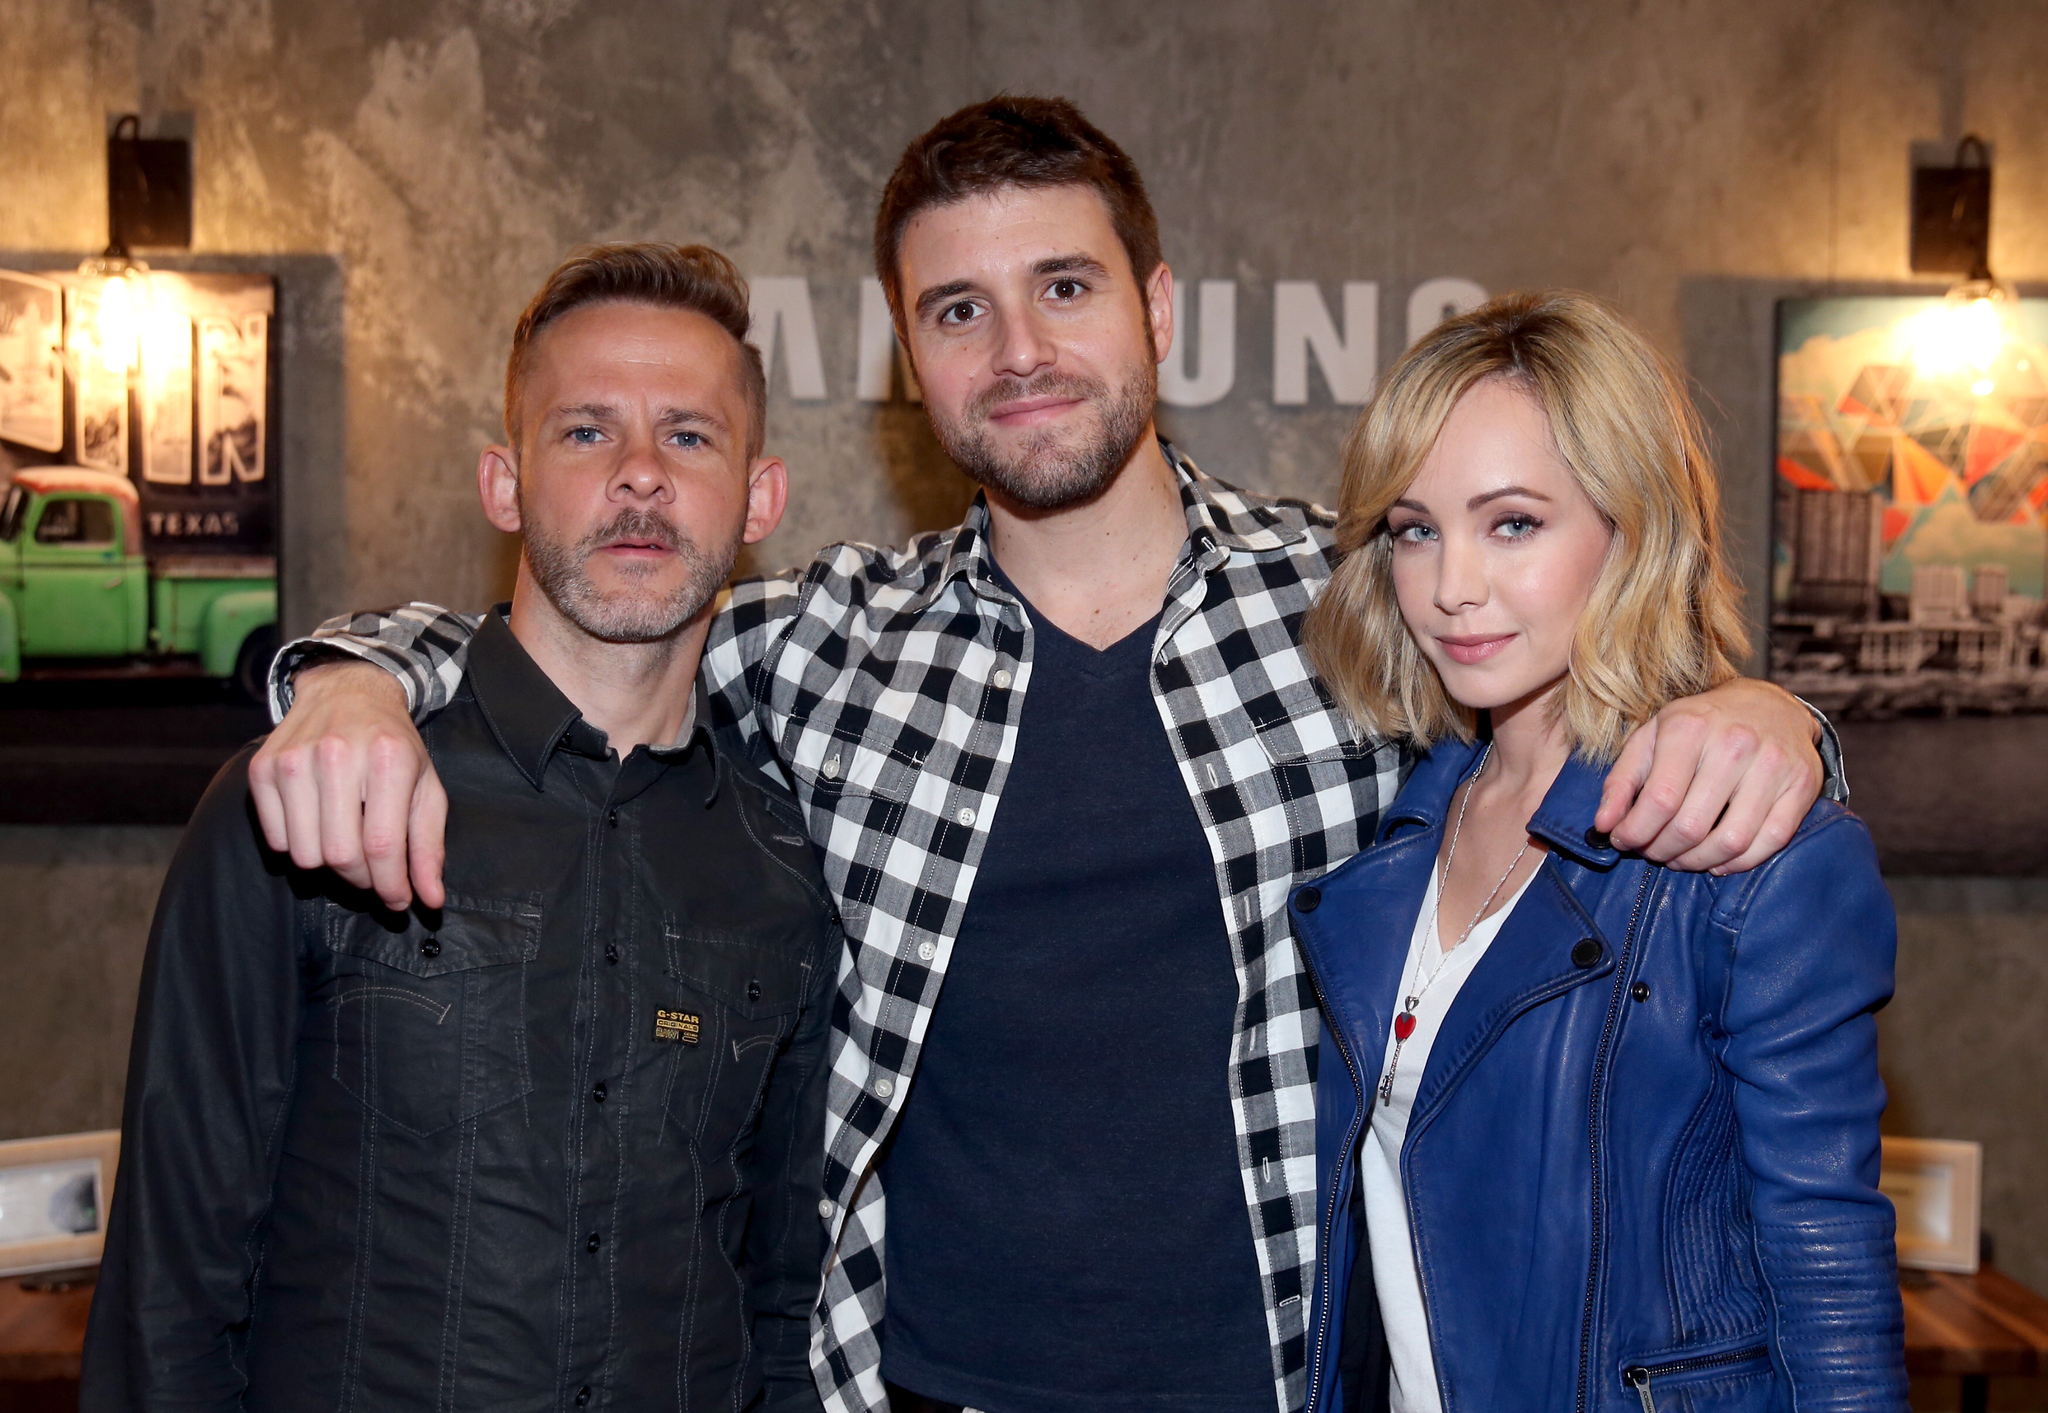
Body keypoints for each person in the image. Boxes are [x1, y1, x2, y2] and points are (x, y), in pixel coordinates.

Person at [244, 100, 1842, 1413]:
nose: (1018, 346)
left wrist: (1782, 718)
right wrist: (347, 679)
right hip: (921, 1389)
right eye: (959, 310)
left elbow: (1603, 680)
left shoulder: (1357, 611)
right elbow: (573, 622)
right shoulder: (826, 641)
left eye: (1065, 288)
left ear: (1153, 307)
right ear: (911, 360)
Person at [80, 244, 838, 1412]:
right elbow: (165, 1299)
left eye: (687, 436)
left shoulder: (783, 867)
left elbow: (783, 1303)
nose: (639, 476)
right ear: (503, 483)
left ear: (759, 497)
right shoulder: (306, 798)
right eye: (586, 431)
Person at [1288, 291, 1905, 1413]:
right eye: (1414, 528)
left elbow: (1829, 1272)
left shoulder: (1743, 855)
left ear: (1631, 528)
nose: (1449, 586)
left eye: (1512, 523)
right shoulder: (1399, 825)